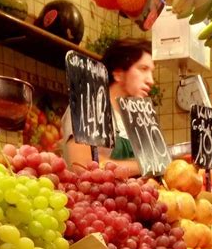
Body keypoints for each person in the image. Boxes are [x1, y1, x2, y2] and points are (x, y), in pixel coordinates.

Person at [61, 38, 155, 177]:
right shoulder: (90, 108)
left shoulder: (137, 118)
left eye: (151, 71)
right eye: (143, 69)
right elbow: (84, 167)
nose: (151, 80)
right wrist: (147, 165)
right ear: (118, 73)